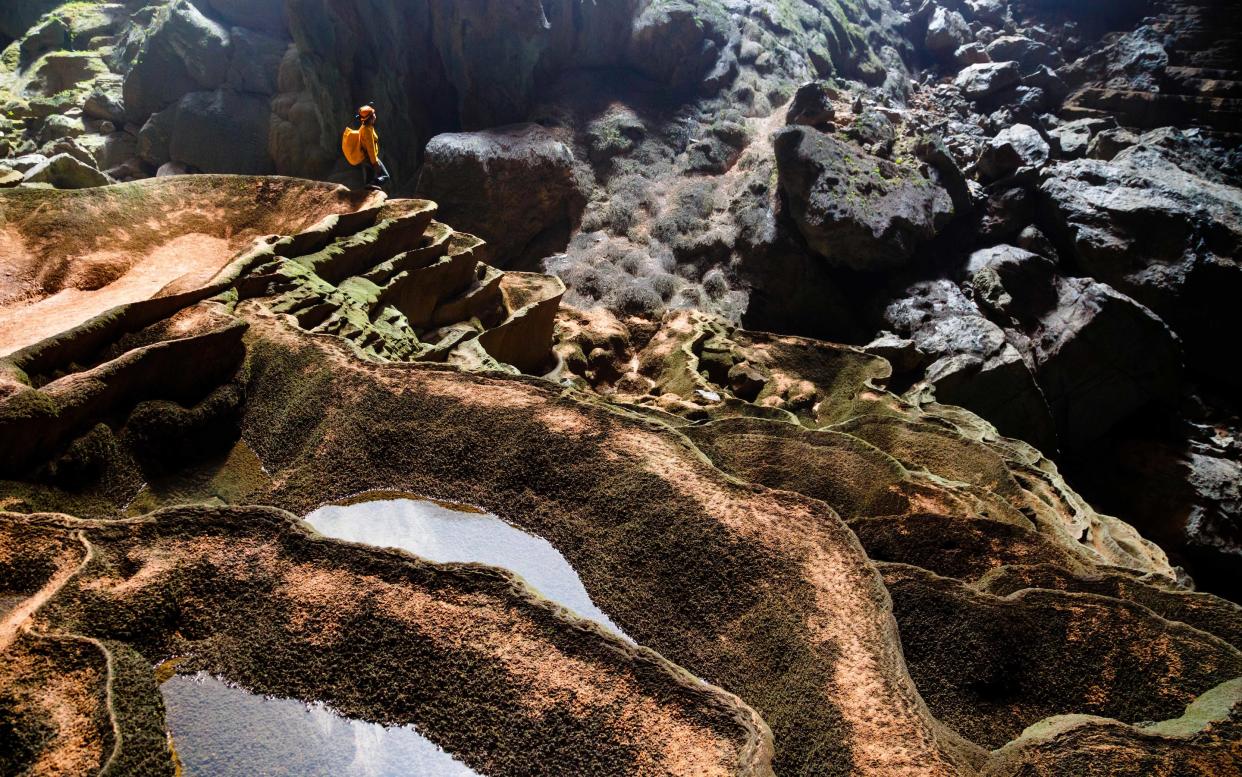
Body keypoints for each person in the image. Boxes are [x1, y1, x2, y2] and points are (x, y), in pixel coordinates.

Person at [341, 104, 390, 189]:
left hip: (365, 158)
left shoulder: (365, 127)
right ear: (370, 118)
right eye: (373, 114)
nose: (375, 116)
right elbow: (370, 148)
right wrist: (375, 163)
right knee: (386, 176)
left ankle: (368, 189)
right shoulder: (367, 131)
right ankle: (373, 186)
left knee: (368, 181)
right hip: (370, 159)